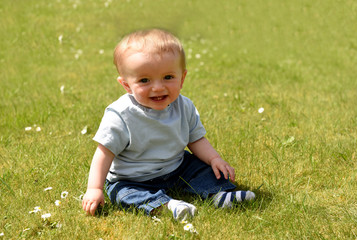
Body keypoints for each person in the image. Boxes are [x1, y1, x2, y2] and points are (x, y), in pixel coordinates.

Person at [82, 28, 255, 220]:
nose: (158, 87)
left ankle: (219, 195)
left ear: (182, 78)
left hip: (176, 166)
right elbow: (104, 153)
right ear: (126, 85)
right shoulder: (121, 115)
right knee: (123, 194)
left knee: (202, 168)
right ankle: (167, 206)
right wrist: (95, 188)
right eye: (144, 80)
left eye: (168, 77)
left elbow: (196, 139)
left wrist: (214, 158)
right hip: (133, 178)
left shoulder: (184, 106)